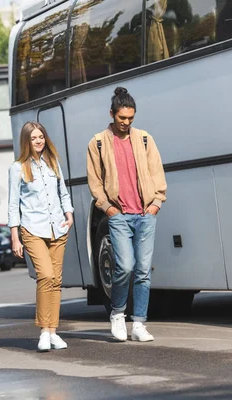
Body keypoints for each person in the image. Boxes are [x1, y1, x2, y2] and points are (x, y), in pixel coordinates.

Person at [86, 87, 167, 342]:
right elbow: (95, 181)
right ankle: (118, 313)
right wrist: (107, 207)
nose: (126, 123)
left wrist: (156, 202)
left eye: (131, 118)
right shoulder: (98, 142)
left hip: (145, 214)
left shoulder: (144, 139)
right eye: (122, 118)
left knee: (143, 271)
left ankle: (139, 323)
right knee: (125, 267)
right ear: (111, 114)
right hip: (118, 214)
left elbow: (157, 173)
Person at [8, 121, 74, 351]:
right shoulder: (18, 168)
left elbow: (63, 192)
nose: (39, 141)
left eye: (41, 137)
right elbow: (13, 204)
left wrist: (69, 214)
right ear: (27, 141)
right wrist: (15, 237)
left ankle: (53, 331)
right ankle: (44, 331)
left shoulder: (53, 162)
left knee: (56, 281)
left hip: (58, 228)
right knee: (45, 275)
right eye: (34, 138)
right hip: (32, 229)